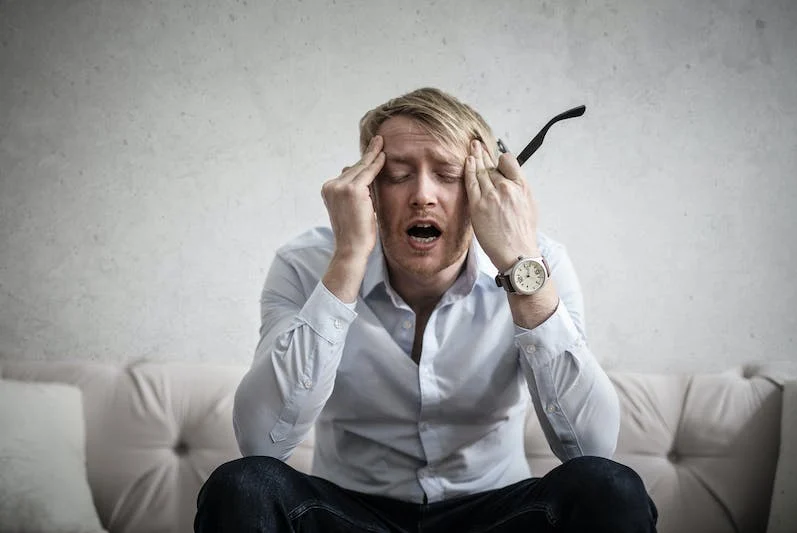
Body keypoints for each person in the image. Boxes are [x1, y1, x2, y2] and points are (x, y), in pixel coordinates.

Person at [195, 87, 657, 532]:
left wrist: (521, 266)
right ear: (369, 191)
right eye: (397, 174)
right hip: (350, 514)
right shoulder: (304, 264)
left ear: (484, 191)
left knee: (610, 488)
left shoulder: (540, 265)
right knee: (243, 486)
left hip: (496, 515)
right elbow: (259, 443)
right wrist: (347, 261)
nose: (422, 195)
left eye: (449, 175)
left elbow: (593, 447)